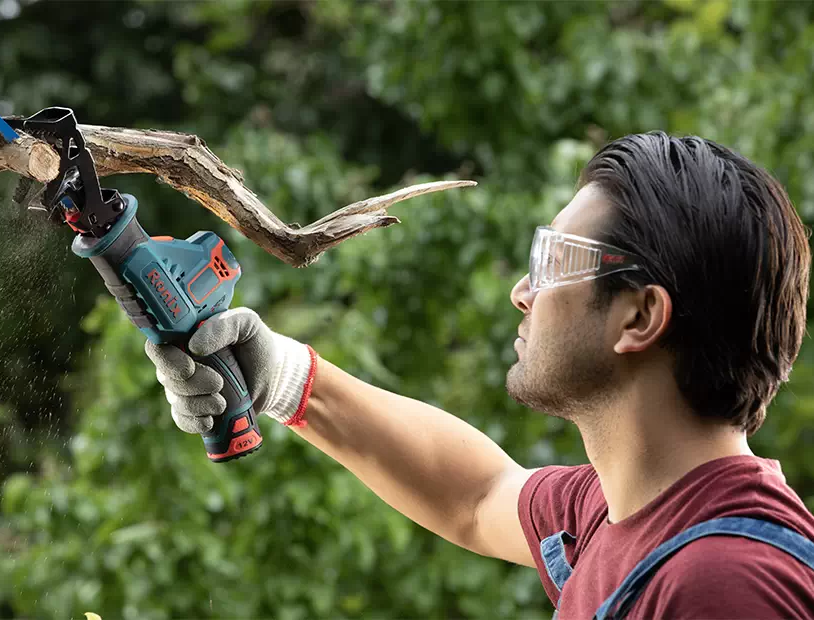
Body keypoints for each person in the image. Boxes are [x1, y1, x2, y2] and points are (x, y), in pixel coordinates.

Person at [145, 132, 814, 618]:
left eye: (555, 261)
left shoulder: (724, 584)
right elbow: (475, 496)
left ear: (639, 317)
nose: (523, 291)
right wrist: (278, 375)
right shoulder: (614, 516)